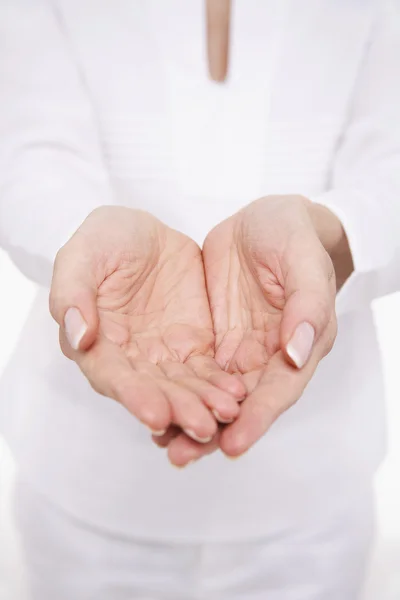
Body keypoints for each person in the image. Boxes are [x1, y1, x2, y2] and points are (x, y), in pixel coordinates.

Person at [0, 0, 399, 598]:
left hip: (311, 494)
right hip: (86, 486)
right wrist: (80, 238)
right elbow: (27, 143)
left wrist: (331, 234)